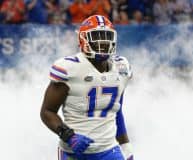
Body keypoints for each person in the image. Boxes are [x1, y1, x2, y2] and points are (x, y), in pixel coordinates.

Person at [40, 15, 134, 160]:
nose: (103, 42)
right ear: (84, 39)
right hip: (73, 152)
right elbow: (47, 111)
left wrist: (125, 146)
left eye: (106, 36)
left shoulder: (121, 68)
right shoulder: (70, 68)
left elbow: (117, 112)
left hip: (109, 150)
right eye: (97, 36)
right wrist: (69, 136)